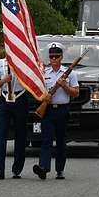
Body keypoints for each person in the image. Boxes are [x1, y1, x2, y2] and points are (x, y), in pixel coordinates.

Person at [33, 42, 79, 180]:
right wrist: (44, 96)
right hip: (47, 110)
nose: (54, 59)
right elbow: (38, 91)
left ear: (61, 57)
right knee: (46, 139)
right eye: (51, 57)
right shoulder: (44, 73)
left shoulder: (70, 74)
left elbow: (76, 93)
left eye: (56, 56)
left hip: (62, 110)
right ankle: (43, 167)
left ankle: (60, 170)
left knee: (60, 141)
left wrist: (64, 86)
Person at [0, 58, 28, 179]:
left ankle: (17, 169)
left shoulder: (24, 61)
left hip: (20, 98)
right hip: (4, 99)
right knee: (1, 134)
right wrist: (3, 80)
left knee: (20, 134)